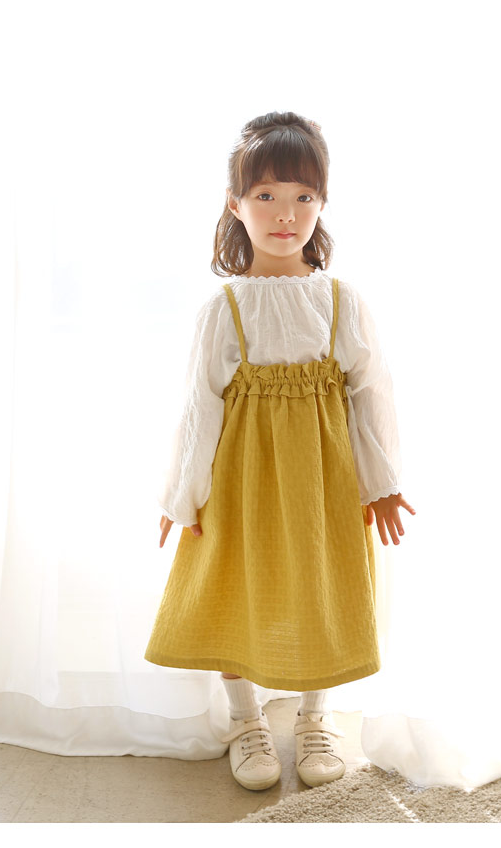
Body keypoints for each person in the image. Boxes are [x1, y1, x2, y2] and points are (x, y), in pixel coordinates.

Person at [145, 111, 413, 791]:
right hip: (242, 481)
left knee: (323, 588)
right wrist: (182, 495)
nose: (284, 213)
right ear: (235, 204)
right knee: (237, 588)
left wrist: (382, 482)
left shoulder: (341, 301)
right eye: (265, 195)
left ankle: (315, 719)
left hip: (324, 479)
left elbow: (372, 393)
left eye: (302, 196)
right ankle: (246, 720)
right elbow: (199, 407)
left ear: (322, 204)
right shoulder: (225, 308)